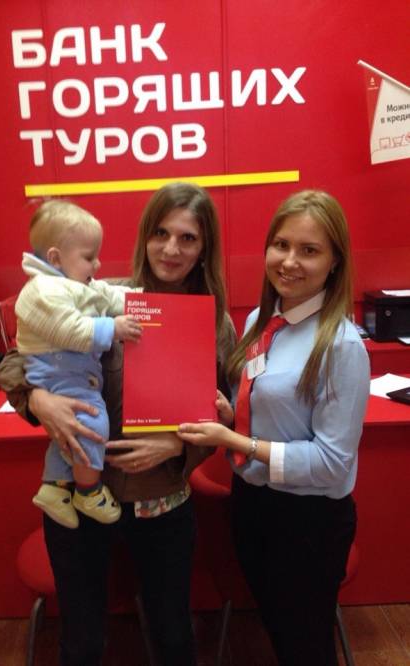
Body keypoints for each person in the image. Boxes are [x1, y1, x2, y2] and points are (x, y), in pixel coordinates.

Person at [0, 182, 236, 666]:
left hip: (163, 503)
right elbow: (17, 358)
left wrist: (177, 447)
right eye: (161, 233)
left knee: (173, 636)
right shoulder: (102, 296)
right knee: (82, 641)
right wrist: (38, 399)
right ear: (146, 236)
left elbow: (224, 414)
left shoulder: (217, 324)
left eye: (187, 238)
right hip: (83, 496)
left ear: (204, 247)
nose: (171, 249)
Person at [179, 190, 370, 666]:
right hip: (253, 504)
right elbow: (266, 408)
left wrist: (236, 441)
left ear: (334, 262)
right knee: (279, 632)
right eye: (281, 245)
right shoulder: (261, 322)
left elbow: (331, 463)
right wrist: (231, 415)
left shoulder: (341, 346)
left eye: (309, 250)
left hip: (307, 522)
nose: (289, 261)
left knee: (305, 647)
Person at [15, 200, 142, 529]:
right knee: (91, 422)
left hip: (71, 370)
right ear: (56, 258)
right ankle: (88, 491)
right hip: (56, 368)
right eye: (89, 257)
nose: (97, 264)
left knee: (70, 432)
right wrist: (112, 328)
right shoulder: (42, 290)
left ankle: (55, 487)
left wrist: (144, 301)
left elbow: (108, 295)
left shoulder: (76, 284)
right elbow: (68, 330)